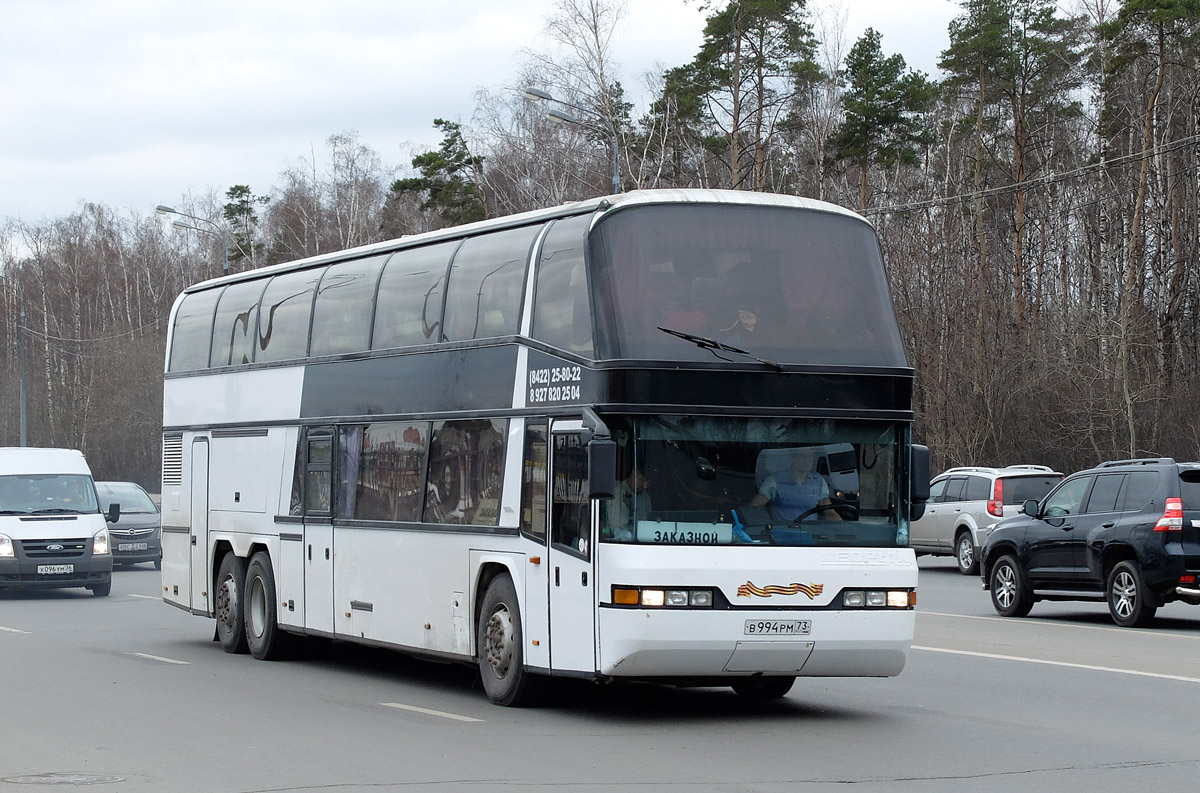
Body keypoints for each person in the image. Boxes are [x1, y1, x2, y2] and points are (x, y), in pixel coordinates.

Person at [750, 447, 841, 523]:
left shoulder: (819, 482)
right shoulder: (774, 481)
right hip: (783, 537)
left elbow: (828, 512)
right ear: (793, 457)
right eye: (802, 456)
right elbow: (753, 508)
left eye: (810, 456)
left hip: (811, 537)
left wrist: (846, 527)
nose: (807, 460)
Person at [605, 468, 652, 541]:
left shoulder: (645, 496)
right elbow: (618, 530)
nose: (645, 486)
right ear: (634, 474)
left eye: (648, 483)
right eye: (642, 481)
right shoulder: (619, 493)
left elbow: (649, 520)